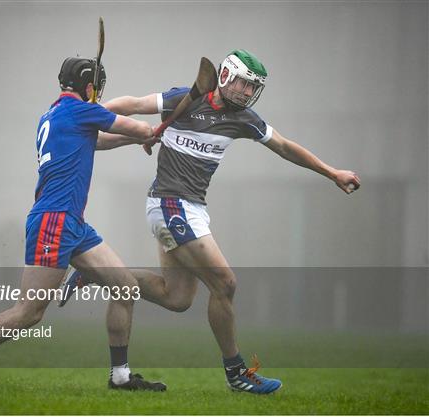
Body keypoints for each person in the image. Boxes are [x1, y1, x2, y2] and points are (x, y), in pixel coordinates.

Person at [61, 49, 361, 394]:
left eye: (253, 88)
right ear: (225, 76)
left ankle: (98, 273)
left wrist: (331, 172)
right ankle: (236, 373)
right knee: (225, 283)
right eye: (244, 84)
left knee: (176, 298)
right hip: (169, 203)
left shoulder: (244, 119)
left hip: (193, 209)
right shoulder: (185, 99)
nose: (248, 93)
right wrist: (88, 112)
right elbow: (133, 103)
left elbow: (284, 146)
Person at [0, 57, 166, 391]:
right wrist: (152, 131)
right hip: (54, 222)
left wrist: (137, 138)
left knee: (124, 287)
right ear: (89, 87)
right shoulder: (82, 111)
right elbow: (138, 127)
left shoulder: (54, 115)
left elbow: (99, 141)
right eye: (97, 89)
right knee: (30, 311)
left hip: (72, 224)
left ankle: (121, 377)